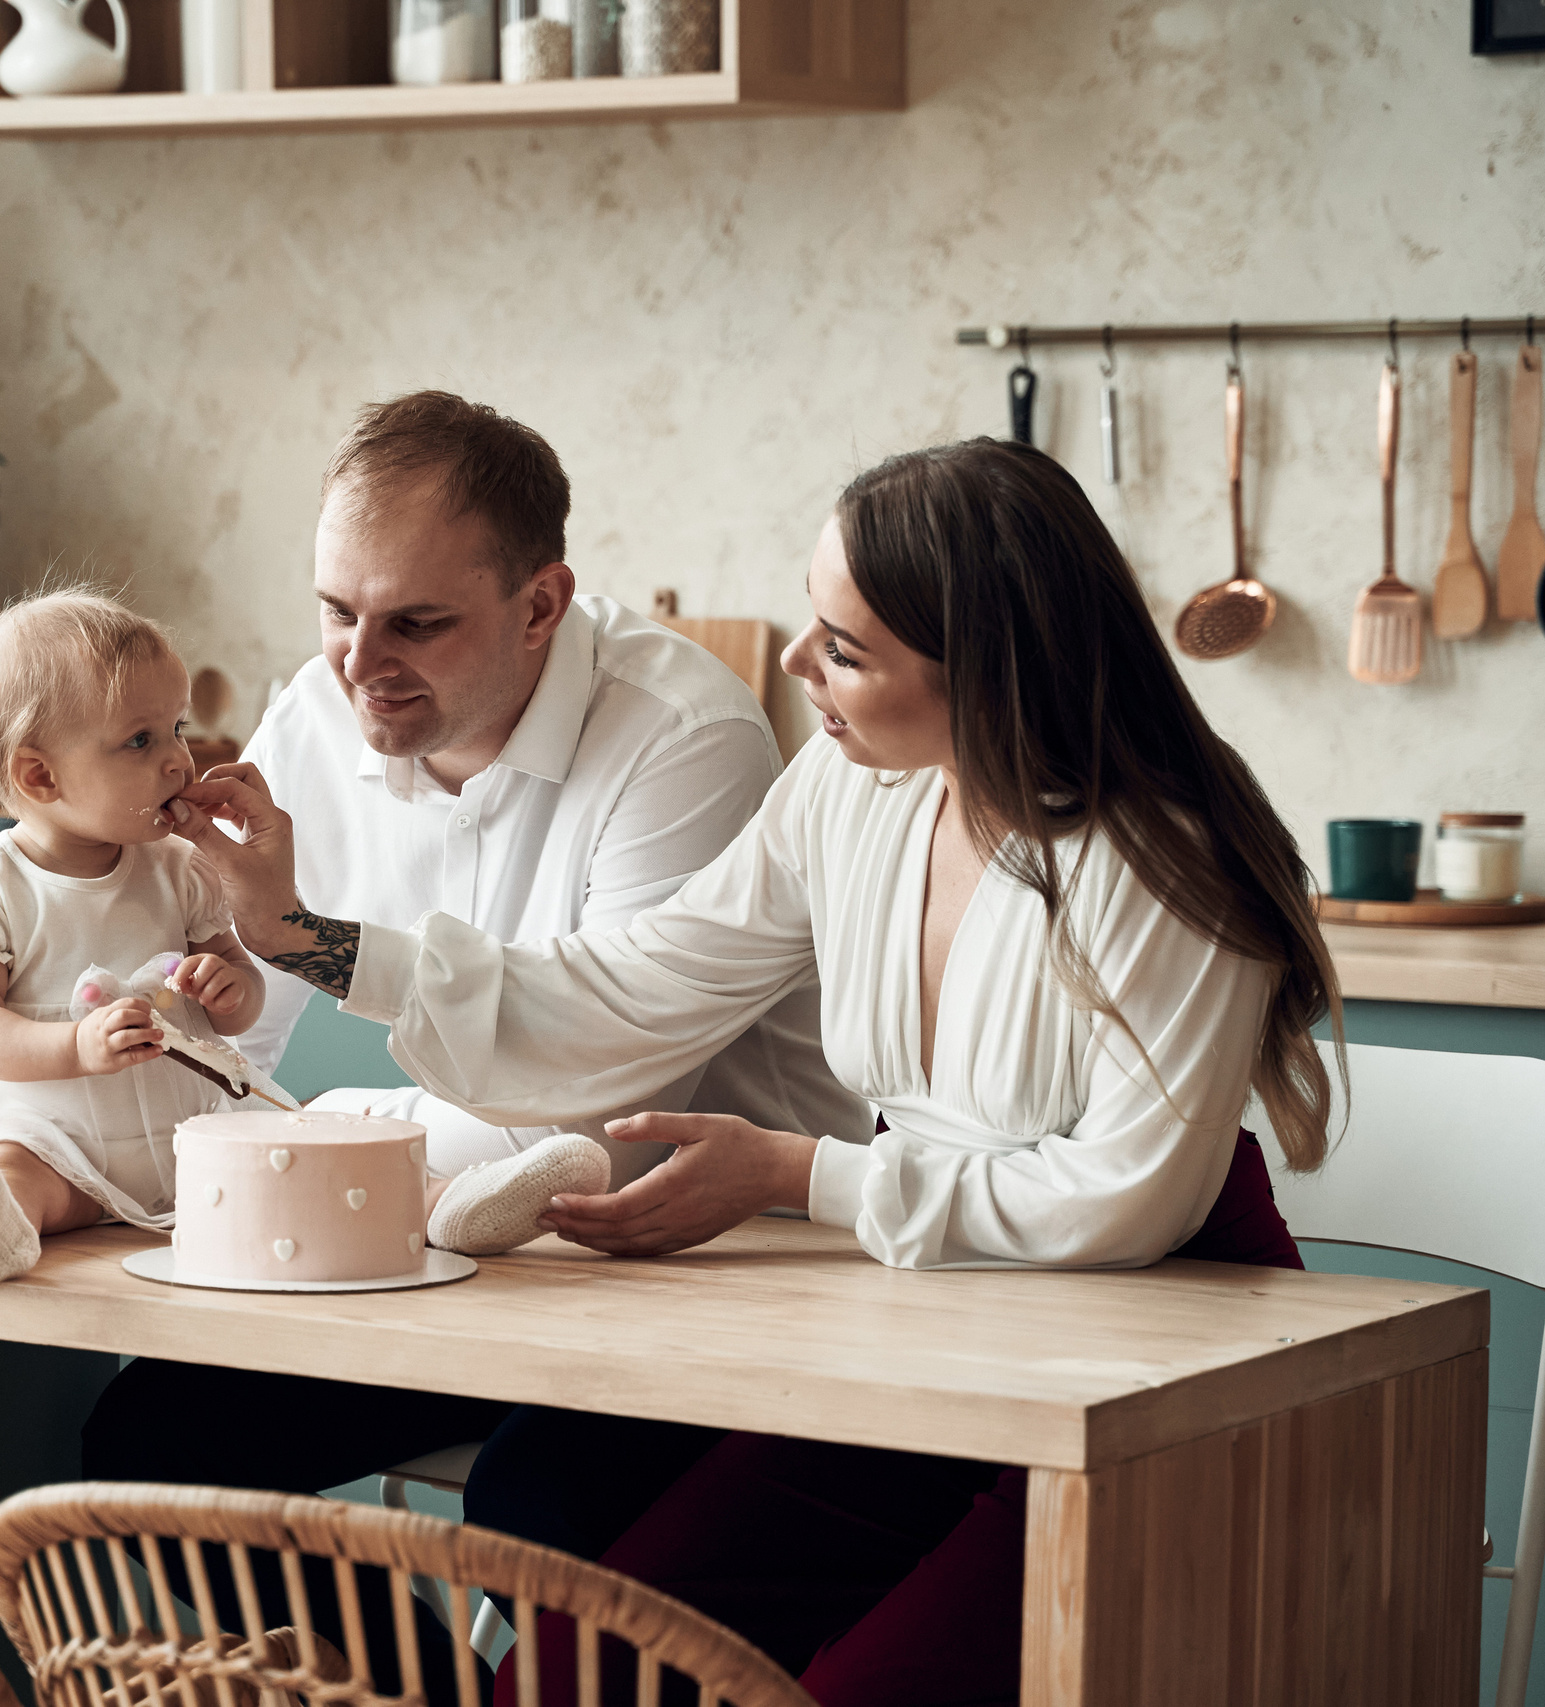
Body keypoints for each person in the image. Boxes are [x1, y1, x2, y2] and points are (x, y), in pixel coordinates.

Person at [169, 438, 1339, 1706]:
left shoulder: (1167, 861)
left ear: (984, 672)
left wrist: (799, 1176)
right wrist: (305, 938)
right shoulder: (848, 787)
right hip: (933, 1328)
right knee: (574, 1678)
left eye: (844, 650)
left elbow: (1127, 1202)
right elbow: (633, 988)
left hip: (1150, 1371)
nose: (792, 664)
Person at [78, 393, 867, 1700]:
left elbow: (600, 1118)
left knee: (534, 1505)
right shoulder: (317, 717)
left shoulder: (684, 737)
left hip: (700, 1276)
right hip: (439, 1260)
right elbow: (229, 1040)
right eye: (337, 610)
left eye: (416, 622)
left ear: (541, 603)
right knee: (148, 1442)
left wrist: (315, 1118)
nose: (359, 662)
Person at [0, 589, 268, 1282]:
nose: (179, 761)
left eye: (178, 728)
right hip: (54, 1143)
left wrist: (232, 988)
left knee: (284, 1160)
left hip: (184, 1141)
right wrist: (76, 1046)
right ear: (40, 776)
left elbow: (241, 999)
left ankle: (434, 1205)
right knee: (13, 1167)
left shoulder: (180, 869)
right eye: (141, 740)